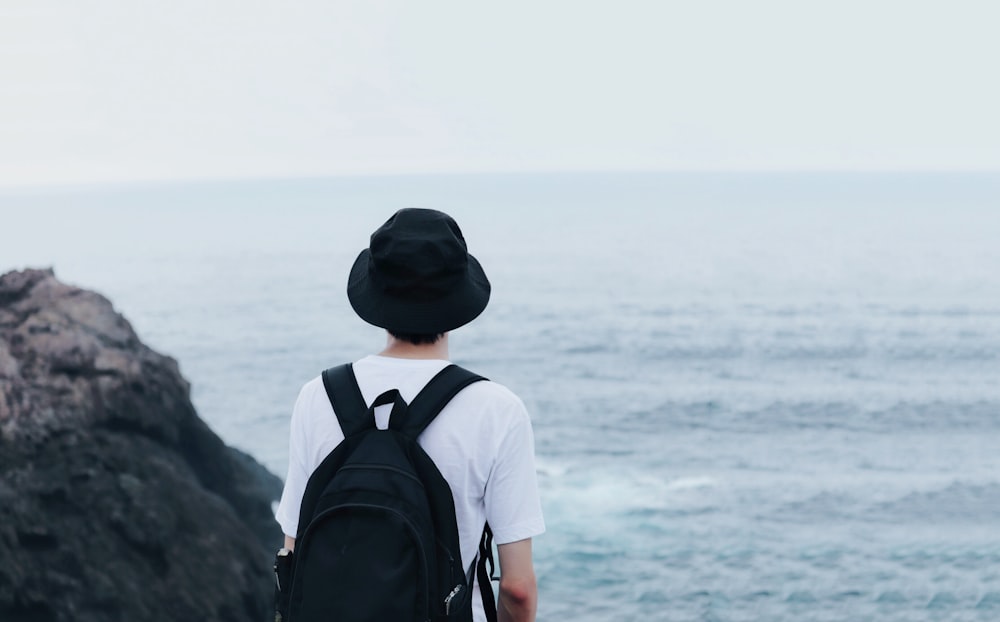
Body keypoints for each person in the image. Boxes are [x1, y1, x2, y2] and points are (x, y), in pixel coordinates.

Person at [274, 208, 545, 622]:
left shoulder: (318, 397)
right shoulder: (497, 410)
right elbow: (517, 589)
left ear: (376, 295)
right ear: (458, 300)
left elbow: (292, 554)